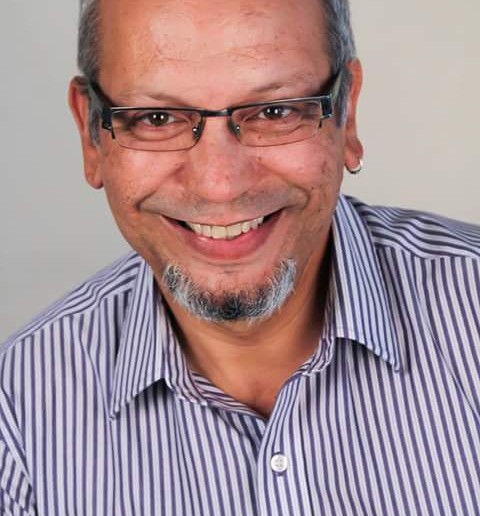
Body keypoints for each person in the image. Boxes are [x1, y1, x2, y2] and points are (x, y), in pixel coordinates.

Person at [1, 0, 479, 514]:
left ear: (348, 113)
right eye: (157, 118)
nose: (220, 185)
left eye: (275, 111)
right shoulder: (17, 424)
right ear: (91, 135)